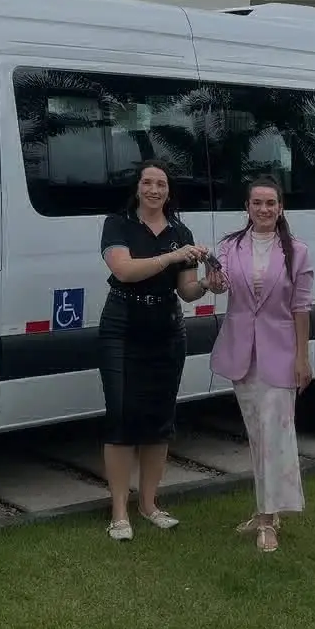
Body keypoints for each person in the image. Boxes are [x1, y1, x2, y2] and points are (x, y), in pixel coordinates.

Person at [98, 159, 209, 541]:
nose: (154, 190)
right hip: (123, 327)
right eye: (148, 182)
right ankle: (118, 512)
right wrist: (173, 256)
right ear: (138, 188)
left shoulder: (181, 230)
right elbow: (125, 270)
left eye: (161, 184)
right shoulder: (118, 224)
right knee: (122, 418)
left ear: (168, 191)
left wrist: (208, 285)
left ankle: (149, 505)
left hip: (167, 330)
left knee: (160, 421)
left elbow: (186, 290)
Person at [205, 176, 314, 553]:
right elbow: (219, 286)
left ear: (280, 208)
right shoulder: (230, 246)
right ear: (247, 208)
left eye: (271, 203)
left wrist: (303, 357)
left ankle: (270, 518)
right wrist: (213, 282)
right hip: (241, 354)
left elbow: (301, 308)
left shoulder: (296, 251)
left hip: (281, 354)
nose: (264, 209)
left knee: (277, 435)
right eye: (257, 203)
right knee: (257, 436)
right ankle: (262, 508)